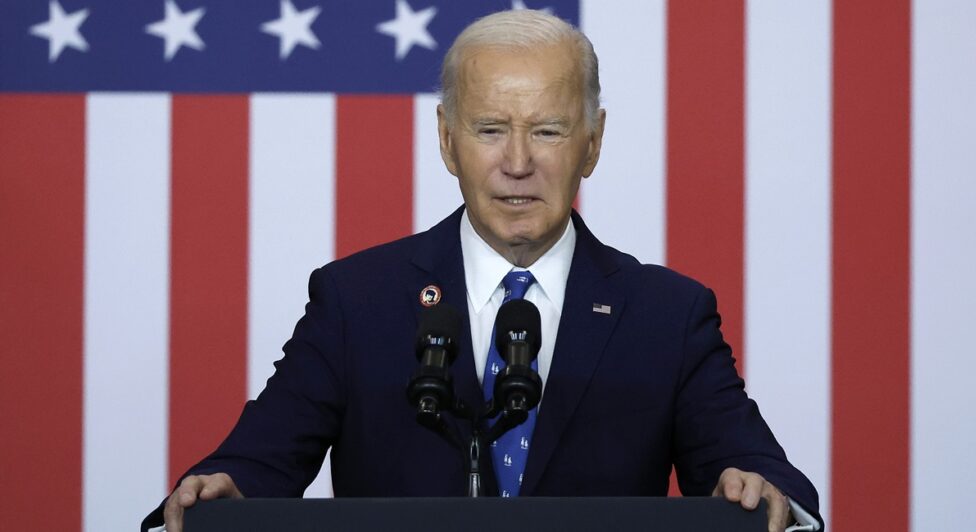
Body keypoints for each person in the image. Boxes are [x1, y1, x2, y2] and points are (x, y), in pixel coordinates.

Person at [146, 10, 821, 532]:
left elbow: (763, 476)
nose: (518, 162)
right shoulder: (358, 301)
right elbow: (253, 466)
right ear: (447, 140)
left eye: (549, 130)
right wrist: (220, 493)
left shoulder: (666, 315)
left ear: (593, 142)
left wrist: (766, 493)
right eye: (491, 128)